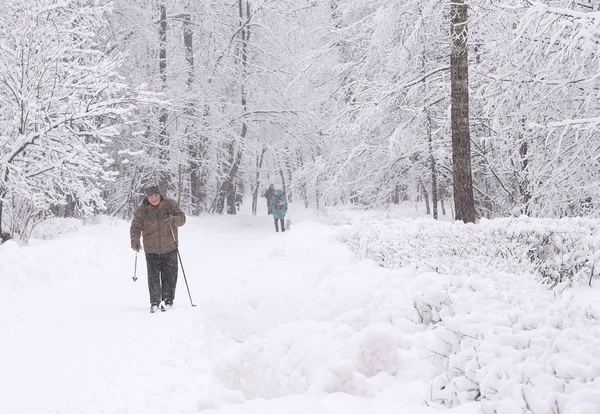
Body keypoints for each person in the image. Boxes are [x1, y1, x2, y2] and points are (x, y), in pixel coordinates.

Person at [130, 185, 186, 313]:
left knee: (170, 276)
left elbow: (182, 219)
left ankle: (168, 300)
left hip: (170, 246)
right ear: (147, 197)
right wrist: (135, 240)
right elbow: (135, 227)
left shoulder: (170, 204)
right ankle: (155, 302)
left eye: (156, 195)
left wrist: (174, 220)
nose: (154, 198)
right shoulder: (142, 210)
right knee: (153, 277)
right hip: (151, 249)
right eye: (151, 196)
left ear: (160, 195)